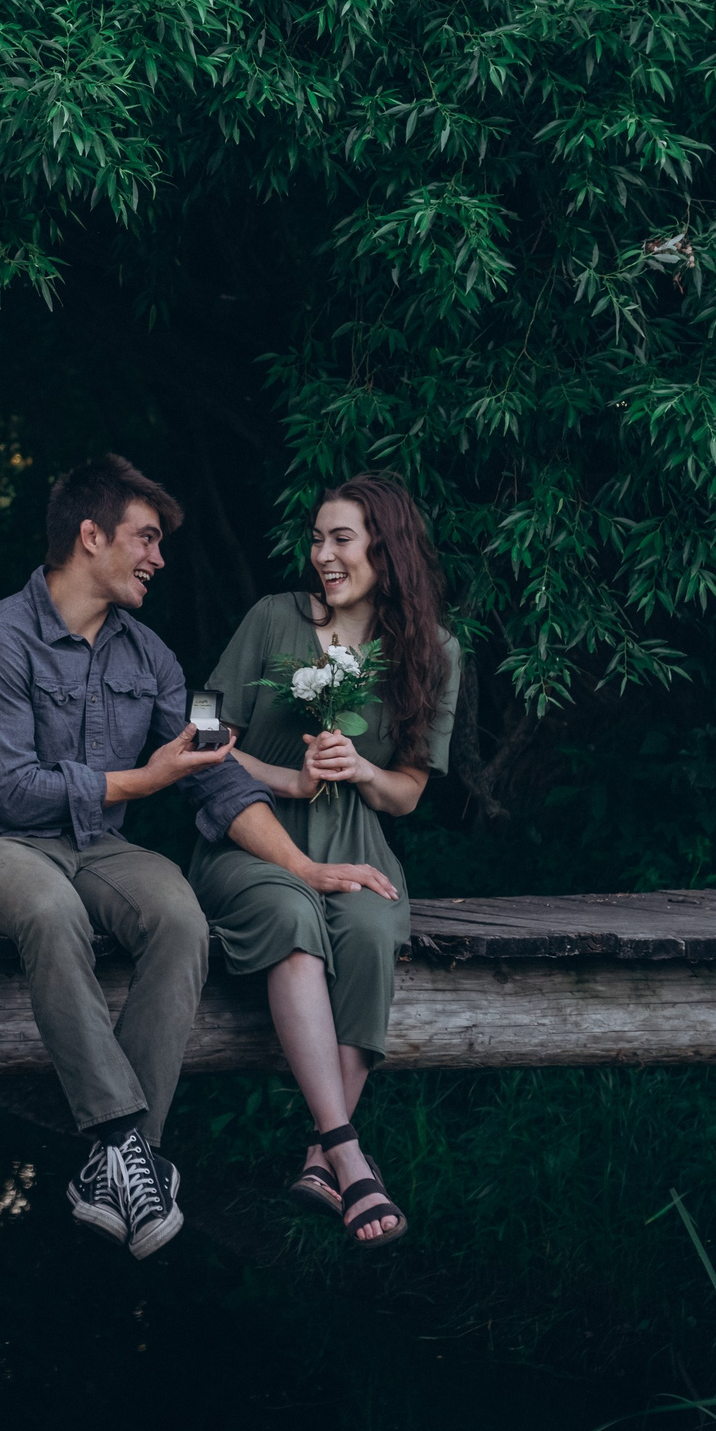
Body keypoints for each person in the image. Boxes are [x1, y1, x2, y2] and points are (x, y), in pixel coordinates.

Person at [0, 456, 273, 1260]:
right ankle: (129, 1140)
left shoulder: (151, 656)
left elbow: (207, 769)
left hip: (101, 848)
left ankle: (113, 1165)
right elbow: (15, 792)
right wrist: (142, 776)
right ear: (90, 537)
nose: (159, 558)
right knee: (50, 911)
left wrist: (302, 863)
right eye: (145, 538)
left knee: (179, 915)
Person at [187, 472, 461, 1250]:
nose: (322, 555)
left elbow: (407, 792)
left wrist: (361, 770)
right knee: (291, 910)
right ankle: (350, 1151)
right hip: (250, 834)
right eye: (316, 538)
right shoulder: (273, 619)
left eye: (340, 538)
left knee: (374, 928)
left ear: (387, 545)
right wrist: (290, 777)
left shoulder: (433, 652)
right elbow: (202, 735)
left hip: (357, 842)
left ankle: (319, 1152)